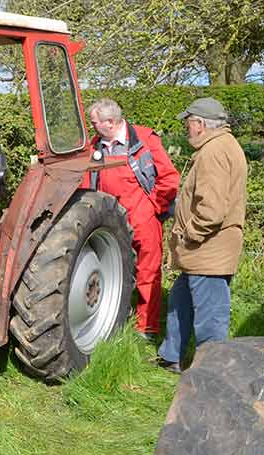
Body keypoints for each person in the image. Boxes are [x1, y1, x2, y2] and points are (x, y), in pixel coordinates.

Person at [156, 97, 247, 373]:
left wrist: (189, 234)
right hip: (204, 249)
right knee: (179, 302)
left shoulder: (214, 152)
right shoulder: (220, 145)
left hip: (208, 247)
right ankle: (171, 356)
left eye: (189, 123)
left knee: (210, 316)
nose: (187, 128)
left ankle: (211, 371)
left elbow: (212, 209)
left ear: (200, 124)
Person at [87, 98, 180, 339]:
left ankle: (146, 327)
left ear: (110, 122)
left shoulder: (144, 140)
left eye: (94, 121)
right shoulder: (94, 146)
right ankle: (111, 320)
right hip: (107, 219)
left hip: (142, 215)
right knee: (110, 268)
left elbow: (170, 178)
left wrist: (154, 208)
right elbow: (86, 181)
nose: (91, 125)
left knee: (148, 270)